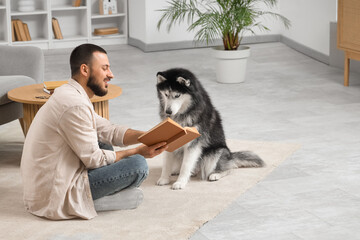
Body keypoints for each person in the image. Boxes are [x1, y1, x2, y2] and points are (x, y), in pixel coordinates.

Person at [20, 43, 167, 220]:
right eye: (105, 68)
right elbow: (95, 159)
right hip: (54, 195)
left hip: (53, 180)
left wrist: (150, 136)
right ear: (85, 69)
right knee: (138, 165)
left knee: (102, 140)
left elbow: (109, 131)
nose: (110, 75)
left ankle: (102, 193)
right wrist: (137, 151)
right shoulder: (74, 104)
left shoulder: (71, 93)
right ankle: (89, 202)